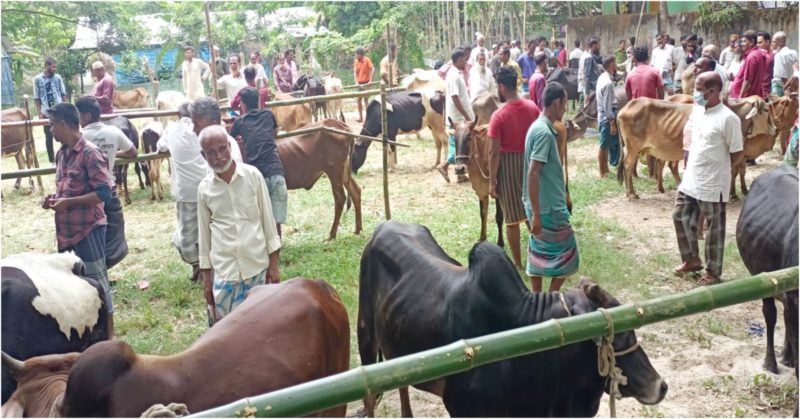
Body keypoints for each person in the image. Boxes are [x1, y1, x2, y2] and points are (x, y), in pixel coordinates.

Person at [41, 103, 115, 336]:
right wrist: (53, 199)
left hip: (88, 229)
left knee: (97, 284)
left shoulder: (90, 153)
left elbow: (104, 193)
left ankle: (110, 334)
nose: (50, 130)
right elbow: (67, 190)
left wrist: (69, 203)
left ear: (63, 124)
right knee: (74, 284)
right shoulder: (62, 153)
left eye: (52, 125)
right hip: (66, 231)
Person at [197, 125, 281, 323]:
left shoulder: (253, 176)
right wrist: (207, 281)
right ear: (203, 155)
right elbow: (204, 238)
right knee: (228, 336)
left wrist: (274, 266)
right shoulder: (204, 190)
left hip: (257, 269)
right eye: (211, 153)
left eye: (222, 149)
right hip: (226, 275)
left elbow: (268, 224)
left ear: (230, 146)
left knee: (262, 328)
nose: (219, 157)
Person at [672, 71, 743, 286]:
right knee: (680, 215)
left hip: (713, 182)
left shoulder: (728, 118)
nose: (696, 93)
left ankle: (713, 272)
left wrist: (724, 174)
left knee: (714, 230)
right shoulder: (699, 112)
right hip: (692, 177)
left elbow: (737, 152)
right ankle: (692, 259)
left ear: (713, 91)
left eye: (700, 89)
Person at [523, 82, 578, 292]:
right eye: (564, 104)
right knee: (569, 254)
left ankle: (537, 299)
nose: (565, 109)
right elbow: (533, 172)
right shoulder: (545, 134)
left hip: (538, 205)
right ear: (556, 102)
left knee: (539, 251)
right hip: (548, 208)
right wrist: (537, 214)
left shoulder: (536, 127)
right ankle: (551, 297)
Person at [488, 66, 539, 271]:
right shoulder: (533, 107)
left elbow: (493, 153)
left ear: (501, 87)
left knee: (511, 218)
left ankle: (518, 263)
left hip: (508, 166)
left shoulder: (498, 116)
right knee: (531, 212)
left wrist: (492, 181)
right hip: (530, 163)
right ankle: (539, 255)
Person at [155, 102, 209, 282]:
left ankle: (198, 267)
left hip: (186, 192)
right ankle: (204, 267)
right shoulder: (203, 129)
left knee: (187, 234)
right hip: (207, 187)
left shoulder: (172, 130)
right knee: (208, 228)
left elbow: (161, 146)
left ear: (179, 115)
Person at [229, 87, 287, 237]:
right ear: (259, 101)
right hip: (276, 171)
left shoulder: (239, 122)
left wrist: (242, 138)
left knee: (259, 217)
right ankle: (277, 249)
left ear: (243, 105)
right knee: (276, 220)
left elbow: (230, 140)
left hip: (256, 176)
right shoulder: (268, 114)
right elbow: (275, 133)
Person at [74, 96, 136, 179]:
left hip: (87, 189)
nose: (77, 119)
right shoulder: (114, 131)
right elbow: (133, 153)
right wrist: (112, 153)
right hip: (109, 185)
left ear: (87, 116)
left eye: (78, 115)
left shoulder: (79, 137)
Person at [437, 48, 474, 183]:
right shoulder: (453, 75)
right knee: (458, 144)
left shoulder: (456, 74)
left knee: (459, 144)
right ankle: (444, 166)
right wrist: (466, 115)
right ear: (459, 59)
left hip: (460, 116)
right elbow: (455, 97)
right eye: (464, 59)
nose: (466, 61)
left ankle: (460, 174)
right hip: (458, 118)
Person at [33, 57, 68, 163]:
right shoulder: (38, 79)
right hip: (46, 112)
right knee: (48, 137)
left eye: (55, 67)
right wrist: (39, 112)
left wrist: (66, 108)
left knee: (63, 134)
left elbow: (63, 94)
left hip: (59, 111)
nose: (55, 69)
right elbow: (37, 97)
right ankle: (52, 161)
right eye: (53, 67)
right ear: (46, 66)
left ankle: (65, 157)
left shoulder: (58, 78)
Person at [190, 97, 244, 163]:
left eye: (197, 125)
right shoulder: (209, 145)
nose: (194, 130)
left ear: (214, 124)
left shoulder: (228, 156)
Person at [596, 56, 620, 177]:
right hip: (607, 117)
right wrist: (612, 123)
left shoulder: (602, 77)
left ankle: (605, 169)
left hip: (603, 115)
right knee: (604, 144)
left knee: (605, 144)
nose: (616, 66)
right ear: (611, 65)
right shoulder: (608, 83)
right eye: (615, 63)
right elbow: (607, 106)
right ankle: (602, 170)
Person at [730, 30, 766, 100]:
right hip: (750, 96)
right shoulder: (757, 53)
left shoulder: (752, 56)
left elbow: (748, 81)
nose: (742, 44)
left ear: (752, 42)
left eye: (744, 41)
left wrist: (740, 98)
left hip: (745, 98)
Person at [771, 31, 798, 96]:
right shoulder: (794, 53)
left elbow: (782, 76)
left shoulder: (779, 55)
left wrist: (787, 89)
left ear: (781, 42)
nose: (772, 44)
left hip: (781, 88)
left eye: (774, 42)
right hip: (794, 86)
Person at [353, 47, 375, 123]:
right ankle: (361, 117)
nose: (356, 55)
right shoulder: (356, 61)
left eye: (356, 54)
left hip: (366, 83)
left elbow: (372, 68)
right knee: (359, 100)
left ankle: (368, 117)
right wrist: (356, 82)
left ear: (360, 54)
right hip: (359, 84)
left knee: (366, 100)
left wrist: (371, 80)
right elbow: (355, 72)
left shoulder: (367, 60)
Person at [757, 32, 774, 99]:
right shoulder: (758, 55)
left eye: (760, 42)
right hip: (758, 91)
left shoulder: (773, 56)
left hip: (768, 92)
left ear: (767, 42)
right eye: (757, 42)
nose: (757, 45)